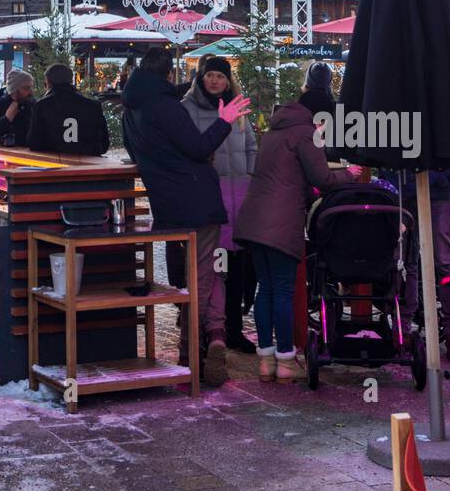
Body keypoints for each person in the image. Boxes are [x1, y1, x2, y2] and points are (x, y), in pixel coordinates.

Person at [122, 45, 250, 387]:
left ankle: (197, 348)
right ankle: (195, 353)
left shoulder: (130, 110)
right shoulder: (168, 107)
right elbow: (198, 148)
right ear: (168, 74)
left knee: (194, 278)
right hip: (197, 201)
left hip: (167, 206)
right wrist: (223, 122)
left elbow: (139, 156)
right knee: (203, 278)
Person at [235, 62, 360, 383]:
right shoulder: (308, 134)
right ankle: (287, 362)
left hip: (253, 221)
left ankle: (266, 362)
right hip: (280, 224)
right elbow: (321, 176)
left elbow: (293, 179)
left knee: (265, 290)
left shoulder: (277, 131)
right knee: (282, 291)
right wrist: (350, 174)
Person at [182, 55, 257, 353]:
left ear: (228, 80)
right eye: (210, 75)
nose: (215, 81)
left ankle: (234, 329)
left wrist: (249, 173)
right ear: (201, 77)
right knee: (211, 266)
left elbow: (251, 145)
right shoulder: (187, 109)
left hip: (239, 194)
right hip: (209, 194)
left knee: (237, 265)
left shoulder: (238, 109)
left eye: (221, 76)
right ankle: (205, 330)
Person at [381, 161, 450, 363]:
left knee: (444, 262)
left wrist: (438, 176)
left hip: (438, 193)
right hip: (404, 192)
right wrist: (392, 175)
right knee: (404, 263)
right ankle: (402, 330)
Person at [29, 63, 110, 157]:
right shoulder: (93, 105)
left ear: (48, 82)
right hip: (88, 165)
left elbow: (34, 144)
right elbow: (104, 144)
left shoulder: (41, 106)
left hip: (54, 165)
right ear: (71, 80)